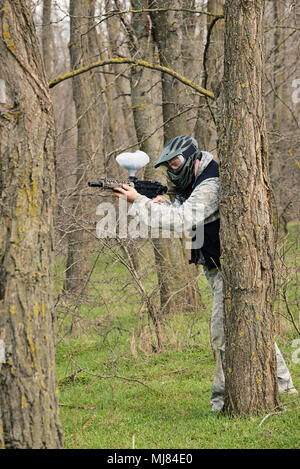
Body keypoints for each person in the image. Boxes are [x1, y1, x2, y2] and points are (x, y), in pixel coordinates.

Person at [113, 135, 297, 412]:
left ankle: (221, 402)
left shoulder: (211, 182)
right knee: (249, 327)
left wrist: (139, 201)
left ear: (192, 157)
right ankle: (283, 385)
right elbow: (185, 211)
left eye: (176, 162)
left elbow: (185, 219)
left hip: (231, 268)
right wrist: (158, 202)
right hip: (218, 265)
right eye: (169, 166)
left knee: (223, 333)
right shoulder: (195, 182)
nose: (173, 169)